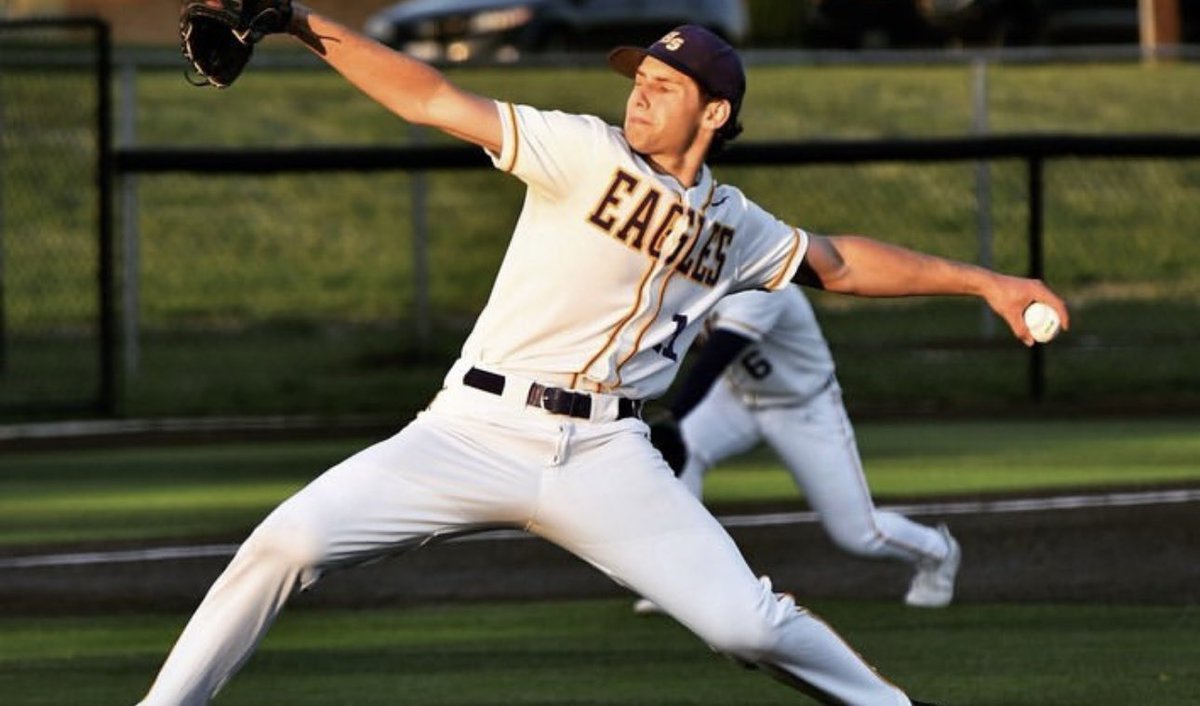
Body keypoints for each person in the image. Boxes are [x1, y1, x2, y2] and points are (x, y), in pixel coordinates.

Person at [136, 5, 1069, 706]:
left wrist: (988, 283)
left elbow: (839, 264)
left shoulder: (736, 224)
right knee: (285, 542)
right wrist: (300, 20)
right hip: (473, 427)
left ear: (715, 112)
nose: (639, 90)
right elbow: (429, 97)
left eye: (665, 85)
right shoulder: (580, 150)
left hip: (607, 458)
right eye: (638, 76)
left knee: (747, 624)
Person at [632, 284, 960, 617]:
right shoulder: (693, 277)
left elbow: (718, 354)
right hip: (735, 395)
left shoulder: (764, 281)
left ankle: (938, 552)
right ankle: (683, 580)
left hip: (802, 407)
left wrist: (675, 415)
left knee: (859, 533)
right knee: (672, 459)